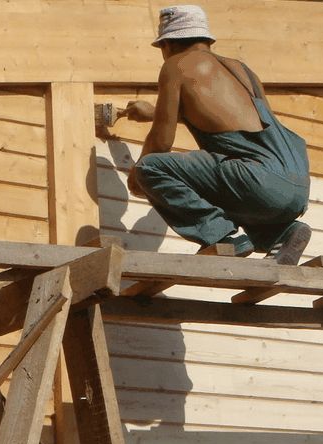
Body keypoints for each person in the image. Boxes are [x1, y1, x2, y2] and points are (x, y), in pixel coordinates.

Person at [125, 5, 312, 265]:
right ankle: (281, 233)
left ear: (166, 43)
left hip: (257, 179)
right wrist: (154, 113)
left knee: (151, 167)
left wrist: (137, 175)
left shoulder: (176, 66)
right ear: (206, 40)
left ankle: (220, 238)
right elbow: (230, 119)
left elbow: (161, 142)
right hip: (293, 185)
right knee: (224, 177)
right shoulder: (243, 71)